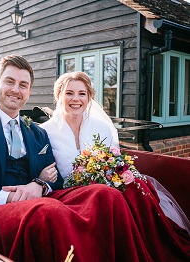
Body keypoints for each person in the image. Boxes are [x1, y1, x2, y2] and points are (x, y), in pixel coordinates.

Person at [0, 55, 156, 261]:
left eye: (23, 85)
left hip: (36, 200)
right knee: (49, 213)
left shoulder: (37, 133)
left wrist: (39, 184)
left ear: (29, 92)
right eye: (9, 82)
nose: (15, 90)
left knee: (105, 195)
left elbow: (55, 180)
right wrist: (8, 198)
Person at [40, 71, 190, 261]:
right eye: (69, 93)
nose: (75, 99)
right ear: (59, 96)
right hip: (69, 195)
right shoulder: (45, 132)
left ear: (89, 97)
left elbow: (112, 160)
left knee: (136, 188)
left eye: (82, 93)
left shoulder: (101, 126)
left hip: (105, 187)